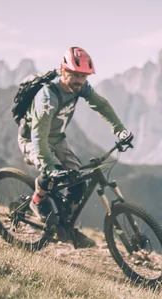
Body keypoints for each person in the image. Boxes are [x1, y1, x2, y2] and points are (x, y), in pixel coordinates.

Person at [17, 46, 134, 248]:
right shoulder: (48, 97)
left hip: (57, 138)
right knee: (51, 173)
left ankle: (66, 227)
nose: (80, 80)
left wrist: (119, 129)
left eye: (84, 76)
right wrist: (48, 166)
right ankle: (36, 201)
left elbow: (102, 105)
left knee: (77, 181)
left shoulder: (81, 88)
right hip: (32, 139)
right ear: (63, 71)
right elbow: (39, 135)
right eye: (75, 75)